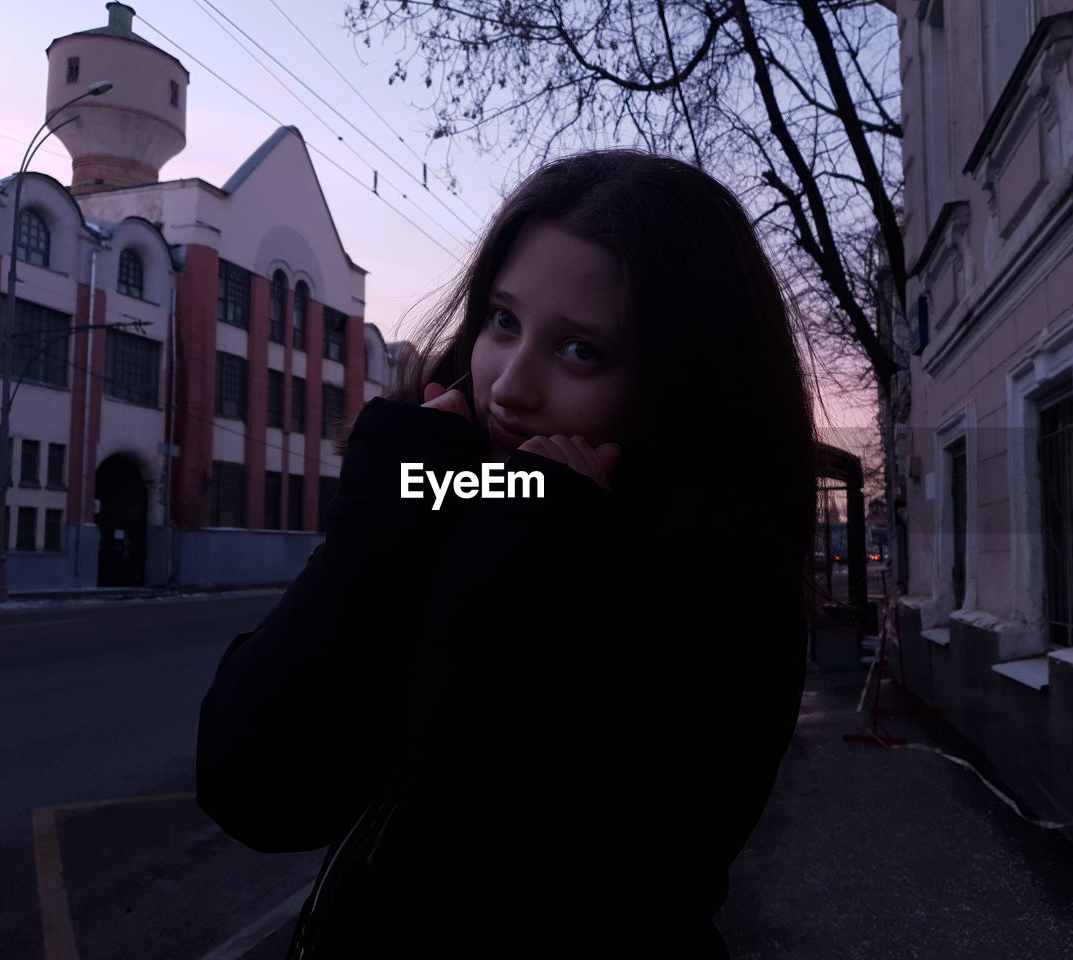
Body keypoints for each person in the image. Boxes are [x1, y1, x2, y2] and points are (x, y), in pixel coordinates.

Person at [195, 148, 819, 959]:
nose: (508, 385)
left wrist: (524, 564)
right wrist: (379, 532)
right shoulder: (453, 506)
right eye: (504, 321)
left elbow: (485, 876)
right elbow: (258, 791)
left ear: (685, 384)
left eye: (580, 351)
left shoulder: (720, 601)